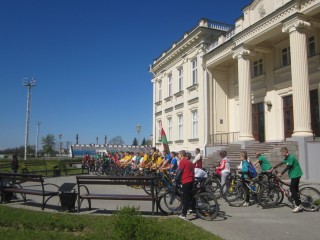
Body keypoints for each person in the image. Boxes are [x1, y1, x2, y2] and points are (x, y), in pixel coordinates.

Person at [270, 147, 303, 213]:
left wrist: (281, 173)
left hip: (296, 174)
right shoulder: (287, 157)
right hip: (294, 174)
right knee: (295, 189)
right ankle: (297, 200)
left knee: (292, 188)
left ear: (285, 152)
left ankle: (298, 205)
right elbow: (281, 163)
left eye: (282, 153)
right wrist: (272, 168)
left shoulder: (291, 157)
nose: (282, 154)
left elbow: (289, 166)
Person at [175, 150, 195, 220]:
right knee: (190, 196)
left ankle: (183, 214)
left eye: (178, 155)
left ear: (181, 155)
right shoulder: (189, 162)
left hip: (186, 180)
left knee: (185, 198)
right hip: (191, 180)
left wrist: (176, 179)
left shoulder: (182, 161)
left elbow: (179, 171)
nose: (178, 156)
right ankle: (191, 208)